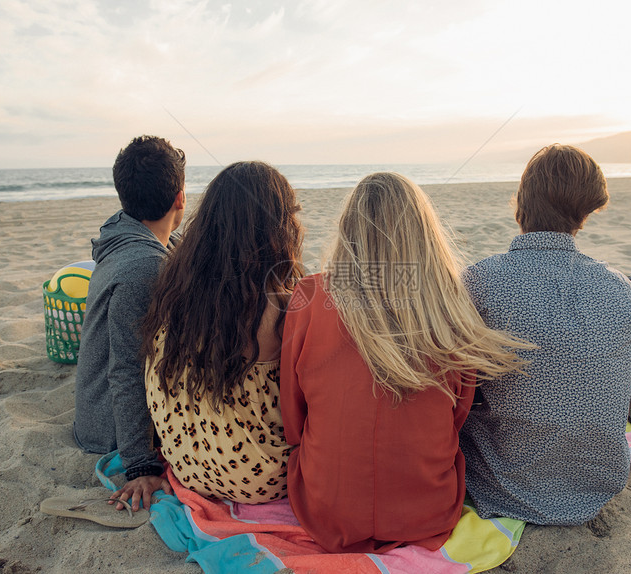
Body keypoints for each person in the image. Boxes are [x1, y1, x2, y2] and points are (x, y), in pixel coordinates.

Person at [280, 172, 524, 553]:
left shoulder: (311, 295)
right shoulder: (449, 303)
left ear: (348, 228)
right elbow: (457, 415)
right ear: (422, 232)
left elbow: (293, 419)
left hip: (326, 511)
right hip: (427, 511)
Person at [460, 144, 631, 525]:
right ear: (585, 212)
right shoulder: (623, 291)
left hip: (498, 486)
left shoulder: (477, 283)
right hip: (594, 488)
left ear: (520, 203)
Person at [142, 161, 303, 504]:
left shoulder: (174, 286)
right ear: (278, 226)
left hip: (187, 465)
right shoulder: (281, 306)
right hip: (259, 479)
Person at [74, 135, 186, 512]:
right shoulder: (145, 269)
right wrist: (140, 465)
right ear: (180, 198)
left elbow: (179, 243)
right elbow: (126, 368)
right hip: (110, 430)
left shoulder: (123, 234)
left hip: (96, 404)